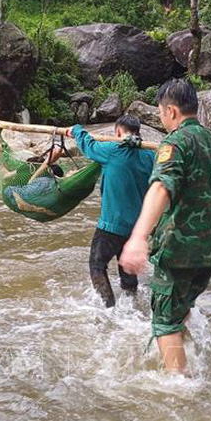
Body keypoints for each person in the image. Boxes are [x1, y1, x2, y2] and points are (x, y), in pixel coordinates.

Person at [119, 78, 211, 374]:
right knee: (181, 305)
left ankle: (179, 387)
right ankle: (186, 351)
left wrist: (138, 237)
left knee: (164, 321)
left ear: (171, 111)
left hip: (181, 249)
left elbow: (160, 188)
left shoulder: (175, 142)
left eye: (161, 112)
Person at [65, 115, 155, 307]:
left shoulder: (112, 151)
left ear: (118, 132)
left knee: (97, 266)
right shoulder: (150, 156)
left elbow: (88, 146)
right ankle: (132, 303)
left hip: (111, 226)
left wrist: (76, 130)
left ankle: (108, 307)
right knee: (127, 266)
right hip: (137, 229)